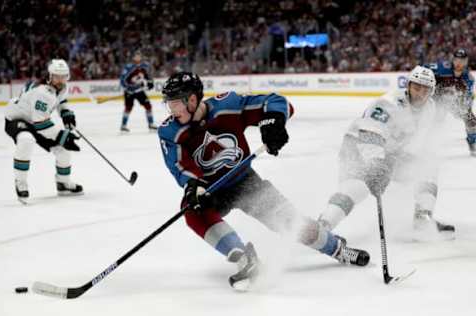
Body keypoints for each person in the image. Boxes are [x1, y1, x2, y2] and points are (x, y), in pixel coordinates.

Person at [157, 72, 369, 290]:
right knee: (191, 210)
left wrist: (273, 123)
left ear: (192, 99)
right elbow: (179, 165)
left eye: (174, 104)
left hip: (245, 182)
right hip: (211, 191)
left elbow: (275, 101)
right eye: (169, 105)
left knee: (290, 222)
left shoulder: (227, 105)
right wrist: (193, 186)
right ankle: (245, 259)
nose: (171, 111)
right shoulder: (169, 131)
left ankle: (337, 248)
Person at [315, 66, 455, 243]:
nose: (420, 93)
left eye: (425, 89)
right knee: (358, 187)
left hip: (389, 152)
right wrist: (377, 165)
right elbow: (370, 133)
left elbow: (416, 140)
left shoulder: (430, 108)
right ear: (409, 86)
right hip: (356, 146)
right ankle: (322, 228)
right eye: (416, 87)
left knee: (427, 167)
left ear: (432, 91)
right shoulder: (389, 103)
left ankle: (422, 218)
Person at [4, 59, 83, 204]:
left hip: (36, 119)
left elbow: (61, 100)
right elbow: (41, 125)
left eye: (64, 76)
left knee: (63, 151)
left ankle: (63, 183)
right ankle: (21, 182)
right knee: (26, 140)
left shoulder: (61, 86)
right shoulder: (42, 93)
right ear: (50, 76)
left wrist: (66, 113)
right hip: (17, 118)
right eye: (57, 76)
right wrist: (62, 136)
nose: (60, 80)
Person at [425, 48, 476, 156]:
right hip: (437, 100)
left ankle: (473, 142)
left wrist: (465, 110)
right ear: (452, 60)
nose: (459, 63)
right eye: (457, 60)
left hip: (455, 103)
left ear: (466, 62)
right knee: (435, 121)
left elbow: (468, 98)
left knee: (471, 120)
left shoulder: (469, 78)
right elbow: (424, 69)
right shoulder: (442, 68)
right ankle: (427, 144)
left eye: (462, 61)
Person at [119, 50, 157, 132]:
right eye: (136, 56)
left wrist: (150, 83)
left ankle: (151, 124)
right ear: (133, 57)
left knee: (148, 106)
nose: (138, 57)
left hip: (139, 91)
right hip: (129, 92)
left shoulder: (144, 66)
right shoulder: (129, 67)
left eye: (139, 55)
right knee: (128, 108)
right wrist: (128, 88)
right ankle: (123, 125)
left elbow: (147, 76)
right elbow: (122, 80)